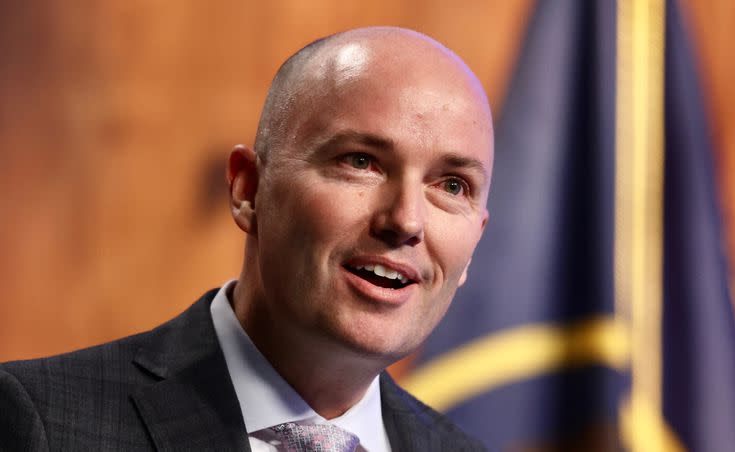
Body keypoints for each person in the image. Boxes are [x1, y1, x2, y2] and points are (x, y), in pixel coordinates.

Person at [0, 26, 493, 451]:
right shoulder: (41, 424)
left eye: (452, 186)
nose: (406, 220)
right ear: (248, 189)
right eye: (361, 161)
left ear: (475, 241)